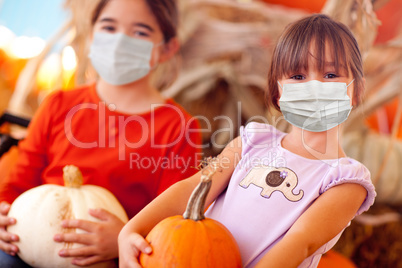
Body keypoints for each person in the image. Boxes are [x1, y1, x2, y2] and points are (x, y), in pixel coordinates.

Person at [118, 14, 376, 268]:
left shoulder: (345, 180)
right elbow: (195, 187)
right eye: (298, 76)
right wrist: (131, 229)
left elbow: (300, 243)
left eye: (331, 75)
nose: (314, 86)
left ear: (357, 90)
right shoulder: (253, 142)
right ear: (278, 91)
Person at [0, 0, 202, 266]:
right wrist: (3, 212)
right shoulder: (58, 104)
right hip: (29, 249)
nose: (120, 41)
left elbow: (173, 220)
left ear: (167, 49)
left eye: (140, 32)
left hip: (113, 258)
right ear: (92, 34)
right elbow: (16, 184)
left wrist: (123, 236)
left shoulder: (179, 128)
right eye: (109, 27)